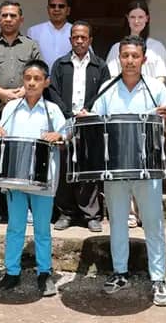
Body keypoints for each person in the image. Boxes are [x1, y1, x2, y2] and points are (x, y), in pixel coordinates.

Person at [91, 35, 166, 307]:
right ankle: (119, 272)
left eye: (134, 56)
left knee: (153, 223)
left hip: (148, 168)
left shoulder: (156, 89)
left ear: (144, 59)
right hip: (114, 167)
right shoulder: (107, 88)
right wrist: (84, 117)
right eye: (125, 56)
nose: (129, 61)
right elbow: (93, 123)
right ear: (119, 59)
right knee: (117, 222)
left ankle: (158, 279)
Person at [0, 59, 66, 297]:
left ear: (46, 82)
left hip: (42, 181)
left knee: (42, 228)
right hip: (15, 178)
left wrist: (59, 136)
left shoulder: (53, 111)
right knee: (15, 227)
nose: (32, 83)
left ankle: (44, 273)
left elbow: (66, 138)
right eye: (28, 78)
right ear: (23, 81)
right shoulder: (11, 108)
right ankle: (12, 272)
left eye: (37, 79)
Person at [0, 0, 42, 224]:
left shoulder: (31, 46)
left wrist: (22, 93)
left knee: (22, 157)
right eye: (4, 15)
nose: (8, 19)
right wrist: (2, 93)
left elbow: (38, 73)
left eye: (13, 15)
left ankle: (25, 208)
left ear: (21, 19)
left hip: (24, 109)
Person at [104, 0, 166, 228]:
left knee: (147, 164)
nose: (137, 21)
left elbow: (159, 80)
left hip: (148, 113)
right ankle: (129, 213)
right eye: (133, 17)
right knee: (124, 163)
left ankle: (145, 212)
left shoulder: (157, 47)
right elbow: (113, 80)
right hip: (123, 110)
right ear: (127, 19)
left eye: (141, 17)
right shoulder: (116, 48)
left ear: (147, 19)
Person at [48, 20, 110, 232]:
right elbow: (53, 91)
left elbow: (104, 93)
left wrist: (87, 112)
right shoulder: (60, 64)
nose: (80, 41)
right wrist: (68, 113)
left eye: (84, 37)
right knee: (65, 165)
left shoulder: (100, 66)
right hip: (65, 121)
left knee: (88, 168)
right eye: (76, 37)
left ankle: (91, 215)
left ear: (90, 40)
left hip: (89, 122)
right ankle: (66, 213)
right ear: (70, 40)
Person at [26, 0, 72, 69]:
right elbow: (28, 61)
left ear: (68, 10)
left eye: (61, 6)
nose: (56, 9)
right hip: (42, 79)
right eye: (52, 6)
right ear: (48, 9)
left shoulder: (77, 31)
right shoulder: (33, 31)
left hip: (69, 79)